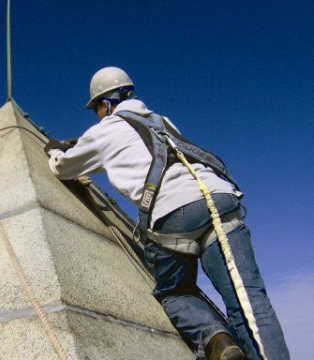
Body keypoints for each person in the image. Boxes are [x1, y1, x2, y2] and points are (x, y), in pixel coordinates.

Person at [44, 67, 289, 360]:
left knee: (174, 292)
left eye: (96, 108)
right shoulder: (162, 121)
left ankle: (217, 338)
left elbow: (64, 168)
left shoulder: (104, 130)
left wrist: (56, 150)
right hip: (219, 199)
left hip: (172, 213)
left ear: (106, 104)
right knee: (249, 301)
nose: (97, 115)